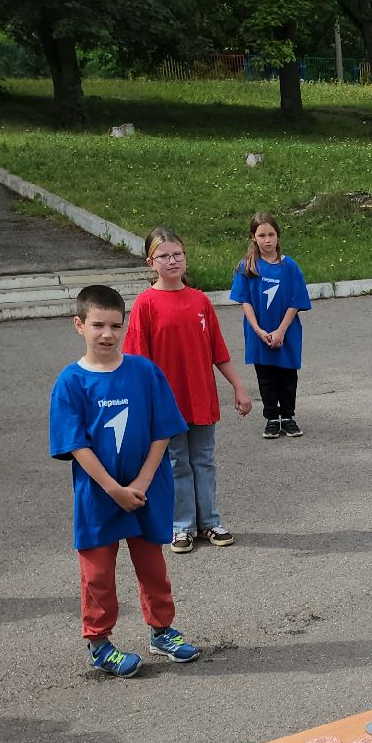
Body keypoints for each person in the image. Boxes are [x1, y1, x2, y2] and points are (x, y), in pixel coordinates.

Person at [50, 285, 204, 677]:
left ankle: (162, 631)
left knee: (152, 566)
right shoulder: (70, 382)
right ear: (78, 325)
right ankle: (99, 643)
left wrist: (143, 479)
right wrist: (112, 488)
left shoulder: (144, 371)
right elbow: (75, 443)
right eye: (97, 325)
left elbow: (163, 429)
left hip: (145, 489)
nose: (107, 334)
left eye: (115, 325)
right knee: (97, 573)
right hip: (99, 494)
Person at [125, 226, 253, 554]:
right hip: (166, 404)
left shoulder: (199, 301)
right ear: (150, 262)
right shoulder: (146, 305)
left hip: (201, 398)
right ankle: (182, 526)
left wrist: (239, 387)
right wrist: (143, 405)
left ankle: (210, 521)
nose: (172, 261)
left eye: (177, 254)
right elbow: (137, 363)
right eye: (164, 256)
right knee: (176, 462)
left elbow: (218, 352)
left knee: (205, 460)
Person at [229, 212, 313, 440]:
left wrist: (281, 330)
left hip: (286, 332)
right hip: (259, 333)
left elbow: (296, 300)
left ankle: (288, 417)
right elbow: (244, 300)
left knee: (287, 376)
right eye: (262, 235)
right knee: (265, 377)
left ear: (278, 236)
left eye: (271, 234)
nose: (267, 240)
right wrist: (257, 329)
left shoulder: (289, 266)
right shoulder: (247, 267)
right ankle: (271, 418)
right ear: (253, 237)